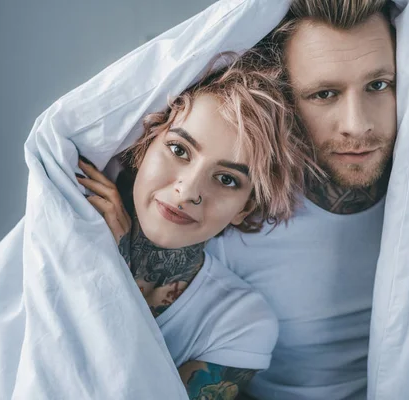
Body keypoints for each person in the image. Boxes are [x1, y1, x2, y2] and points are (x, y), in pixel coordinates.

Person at [75, 51, 320, 400]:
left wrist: (120, 274)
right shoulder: (70, 233)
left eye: (226, 178)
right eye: (179, 150)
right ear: (145, 146)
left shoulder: (240, 321)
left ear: (244, 207)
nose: (188, 191)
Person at [206, 1, 397, 399]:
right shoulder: (236, 220)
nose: (357, 124)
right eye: (324, 94)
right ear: (285, 101)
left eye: (378, 86)